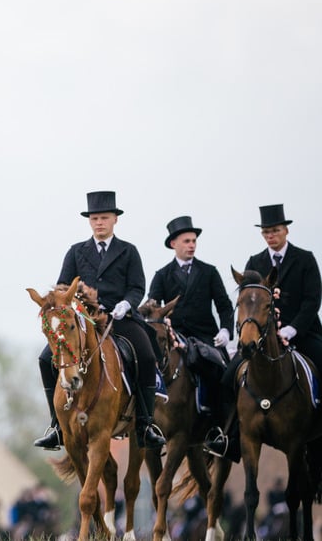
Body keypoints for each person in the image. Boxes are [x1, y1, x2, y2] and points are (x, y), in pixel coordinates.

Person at [35, 191, 166, 450]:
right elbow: (63, 286)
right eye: (94, 218)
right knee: (44, 358)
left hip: (120, 319)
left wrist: (125, 303)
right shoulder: (76, 252)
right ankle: (56, 426)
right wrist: (74, 305)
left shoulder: (129, 251)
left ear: (115, 220)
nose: (99, 223)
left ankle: (145, 423)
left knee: (147, 356)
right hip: (84, 321)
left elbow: (138, 286)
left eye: (104, 218)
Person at [205, 204, 322, 458]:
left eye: (276, 230)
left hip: (301, 333)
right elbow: (247, 304)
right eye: (267, 232)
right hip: (261, 339)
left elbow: (312, 301)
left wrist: (291, 329)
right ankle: (230, 438)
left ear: (286, 231)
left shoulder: (305, 259)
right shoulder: (254, 262)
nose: (271, 235)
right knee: (228, 378)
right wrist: (241, 338)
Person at [148, 216, 233, 417]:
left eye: (194, 241)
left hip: (206, 336)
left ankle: (220, 424)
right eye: (187, 241)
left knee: (224, 373)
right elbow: (152, 306)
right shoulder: (162, 275)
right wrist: (162, 322)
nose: (192, 245)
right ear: (173, 244)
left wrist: (226, 330)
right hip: (175, 336)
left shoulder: (209, 272)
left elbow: (224, 306)